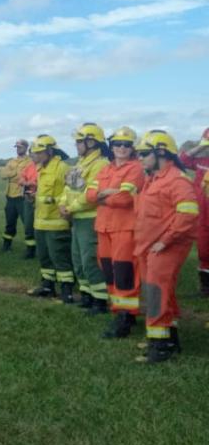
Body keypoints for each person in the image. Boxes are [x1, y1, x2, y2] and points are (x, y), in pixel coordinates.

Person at [133, 131, 199, 363]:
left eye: (143, 154)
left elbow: (188, 213)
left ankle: (159, 347)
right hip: (149, 247)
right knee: (163, 292)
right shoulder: (154, 179)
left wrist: (166, 240)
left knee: (156, 293)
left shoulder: (177, 180)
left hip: (166, 247)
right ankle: (169, 339)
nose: (139, 158)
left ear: (160, 152)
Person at [86, 127, 145, 336]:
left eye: (126, 145)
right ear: (111, 147)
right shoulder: (106, 169)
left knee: (124, 273)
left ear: (132, 148)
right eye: (118, 144)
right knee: (109, 272)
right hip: (104, 227)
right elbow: (89, 195)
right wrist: (106, 194)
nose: (121, 148)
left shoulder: (136, 169)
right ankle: (120, 311)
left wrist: (102, 196)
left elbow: (125, 199)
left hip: (124, 229)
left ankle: (125, 317)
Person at [61, 123, 110, 312]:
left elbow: (92, 193)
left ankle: (100, 299)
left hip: (90, 217)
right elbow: (68, 188)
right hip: (77, 217)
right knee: (78, 259)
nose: (76, 145)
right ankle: (87, 294)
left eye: (79, 141)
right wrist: (62, 204)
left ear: (91, 142)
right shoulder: (80, 164)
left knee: (90, 258)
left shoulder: (101, 165)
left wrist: (71, 207)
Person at [27, 136, 74, 302]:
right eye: (35, 153)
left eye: (39, 152)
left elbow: (70, 191)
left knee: (60, 258)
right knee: (44, 257)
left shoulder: (63, 168)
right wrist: (35, 196)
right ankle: (47, 285)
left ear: (49, 151)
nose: (36, 156)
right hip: (40, 221)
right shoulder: (41, 169)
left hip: (57, 222)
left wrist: (53, 201)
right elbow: (44, 192)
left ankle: (67, 291)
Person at [179, 127, 209, 296]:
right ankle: (206, 288)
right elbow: (182, 160)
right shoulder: (202, 160)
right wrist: (200, 147)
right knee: (204, 251)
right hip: (202, 216)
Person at [0, 139, 32, 253]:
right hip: (10, 196)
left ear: (26, 148)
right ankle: (6, 245)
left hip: (23, 196)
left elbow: (28, 177)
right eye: (17, 147)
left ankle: (31, 248)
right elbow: (3, 175)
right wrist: (15, 173)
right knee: (10, 222)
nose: (18, 149)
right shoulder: (11, 161)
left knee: (27, 223)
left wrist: (13, 175)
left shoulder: (30, 162)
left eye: (20, 147)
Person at [18, 145, 39, 259]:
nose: (32, 156)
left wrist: (31, 183)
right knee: (28, 225)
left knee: (40, 226)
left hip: (39, 199)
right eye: (31, 154)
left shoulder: (44, 167)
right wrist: (25, 182)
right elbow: (21, 178)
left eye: (35, 153)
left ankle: (42, 249)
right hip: (28, 199)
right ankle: (30, 250)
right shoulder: (29, 167)